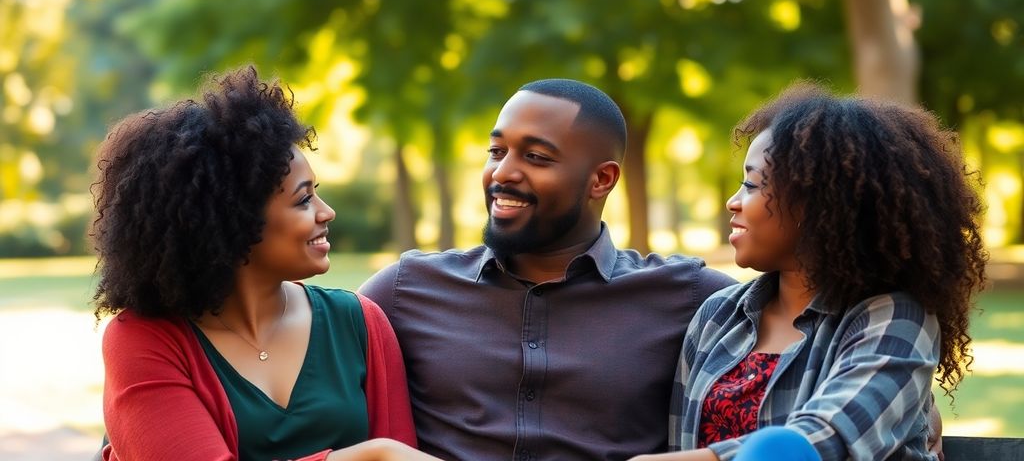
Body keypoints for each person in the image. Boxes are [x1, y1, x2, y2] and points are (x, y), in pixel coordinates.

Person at [359, 78, 738, 460]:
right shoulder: (404, 289)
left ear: (601, 180)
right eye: (496, 151)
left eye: (536, 157)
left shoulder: (693, 298)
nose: (503, 173)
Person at [92, 66, 441, 461]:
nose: (327, 213)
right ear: (234, 220)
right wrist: (371, 457)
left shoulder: (360, 322)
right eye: (303, 199)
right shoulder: (145, 341)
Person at [632, 83, 986, 461]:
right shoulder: (718, 316)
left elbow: (826, 439)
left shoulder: (895, 318)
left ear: (823, 206)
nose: (733, 202)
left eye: (752, 184)